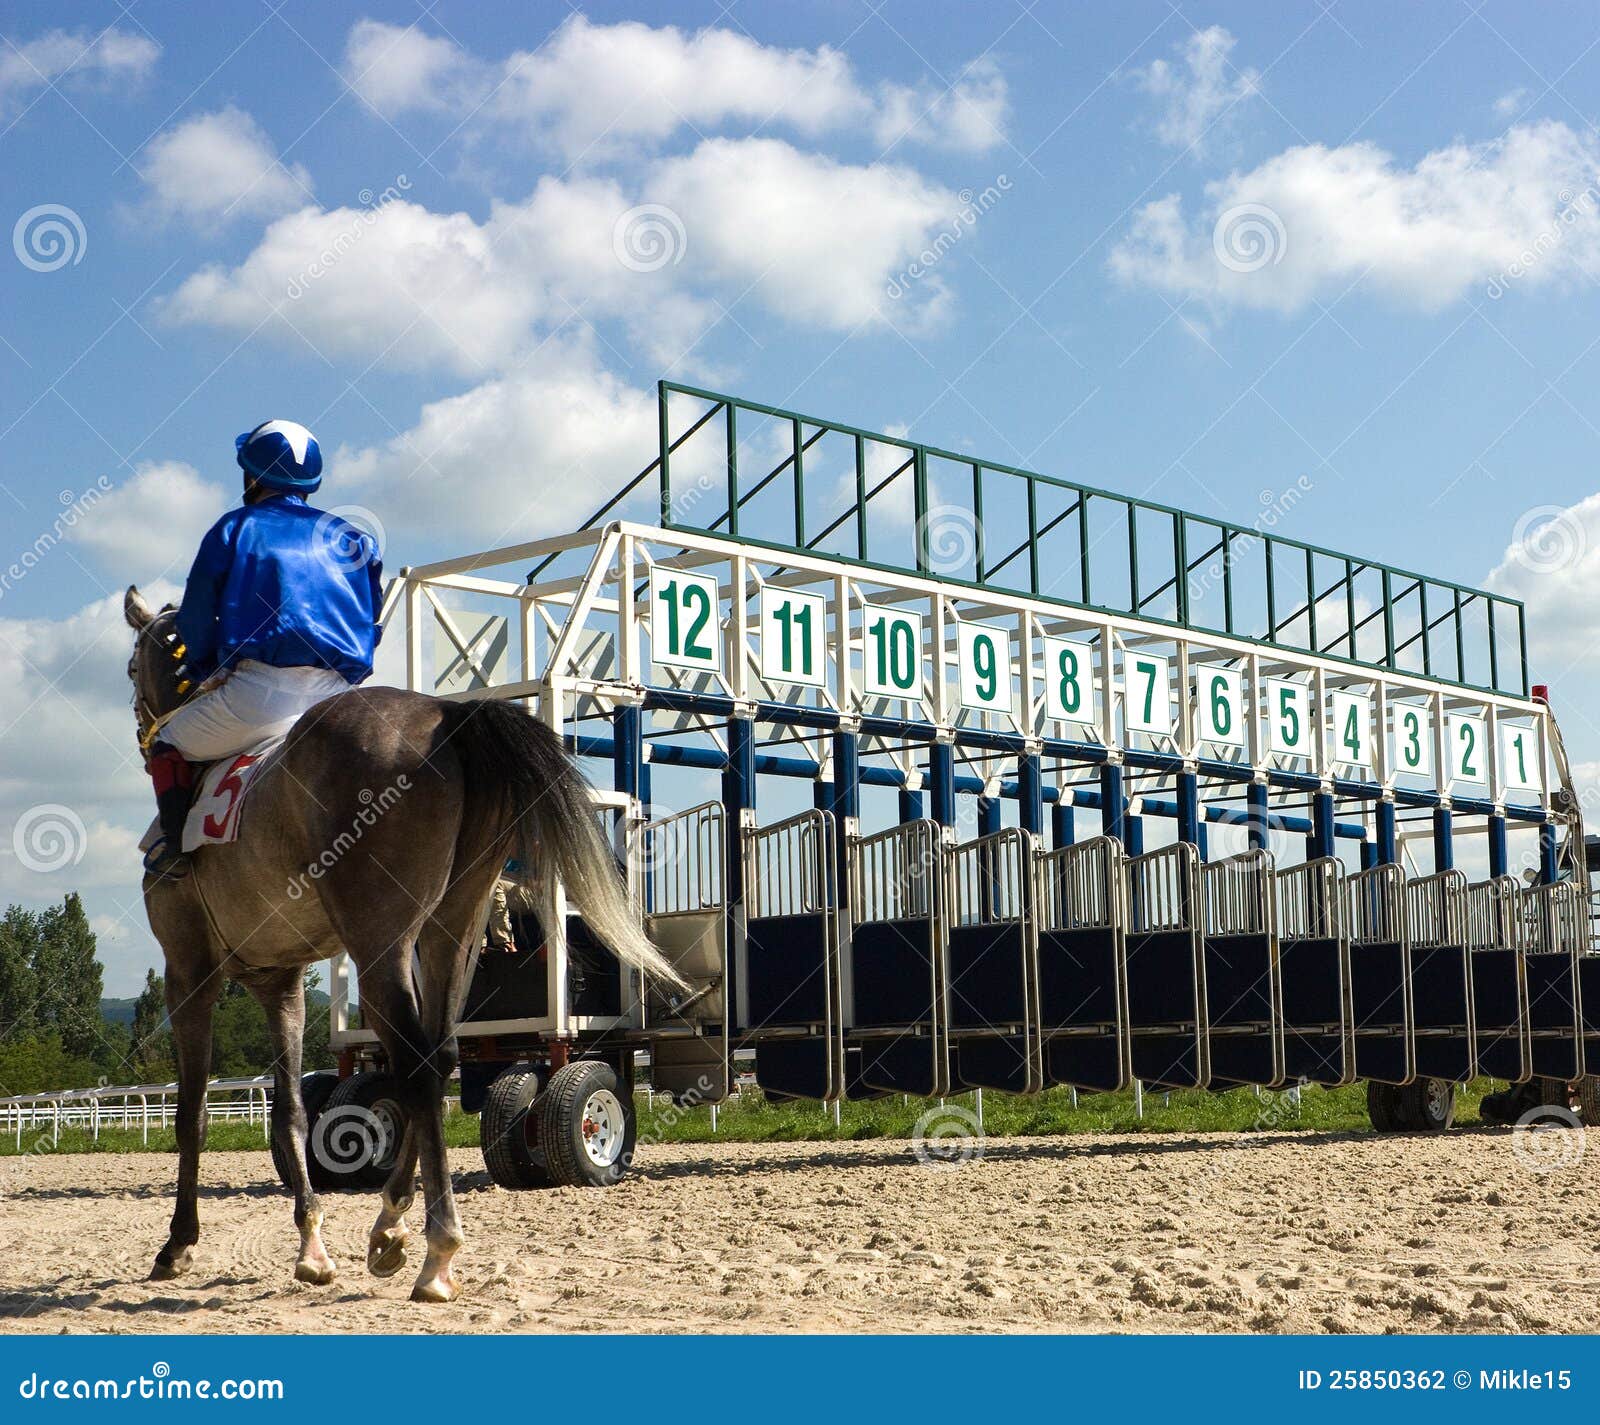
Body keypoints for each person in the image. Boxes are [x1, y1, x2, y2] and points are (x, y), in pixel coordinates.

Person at [143, 420, 382, 879]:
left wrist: (207, 668)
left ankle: (174, 851)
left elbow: (195, 617)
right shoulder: (356, 539)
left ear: (252, 476)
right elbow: (372, 621)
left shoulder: (234, 528)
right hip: (339, 699)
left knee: (166, 741)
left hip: (260, 698)